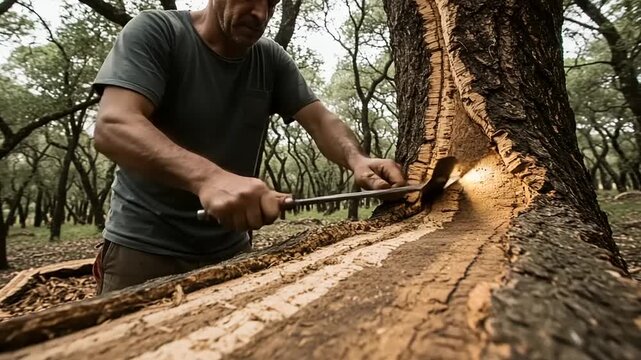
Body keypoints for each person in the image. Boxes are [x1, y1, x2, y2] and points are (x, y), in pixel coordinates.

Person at [91, 0, 406, 294]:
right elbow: (114, 125)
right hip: (141, 251)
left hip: (231, 253)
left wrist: (357, 159)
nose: (260, 13)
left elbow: (320, 120)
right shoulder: (157, 31)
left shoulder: (270, 58)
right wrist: (209, 178)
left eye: (271, 2)